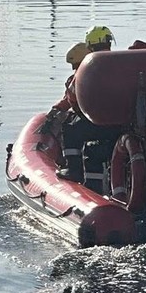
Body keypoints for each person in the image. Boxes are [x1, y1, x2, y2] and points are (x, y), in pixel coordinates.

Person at [38, 26, 123, 183]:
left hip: (98, 123)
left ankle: (74, 170)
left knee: (69, 128)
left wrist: (56, 111)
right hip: (122, 125)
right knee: (95, 150)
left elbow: (71, 97)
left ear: (89, 45)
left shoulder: (88, 68)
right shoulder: (120, 64)